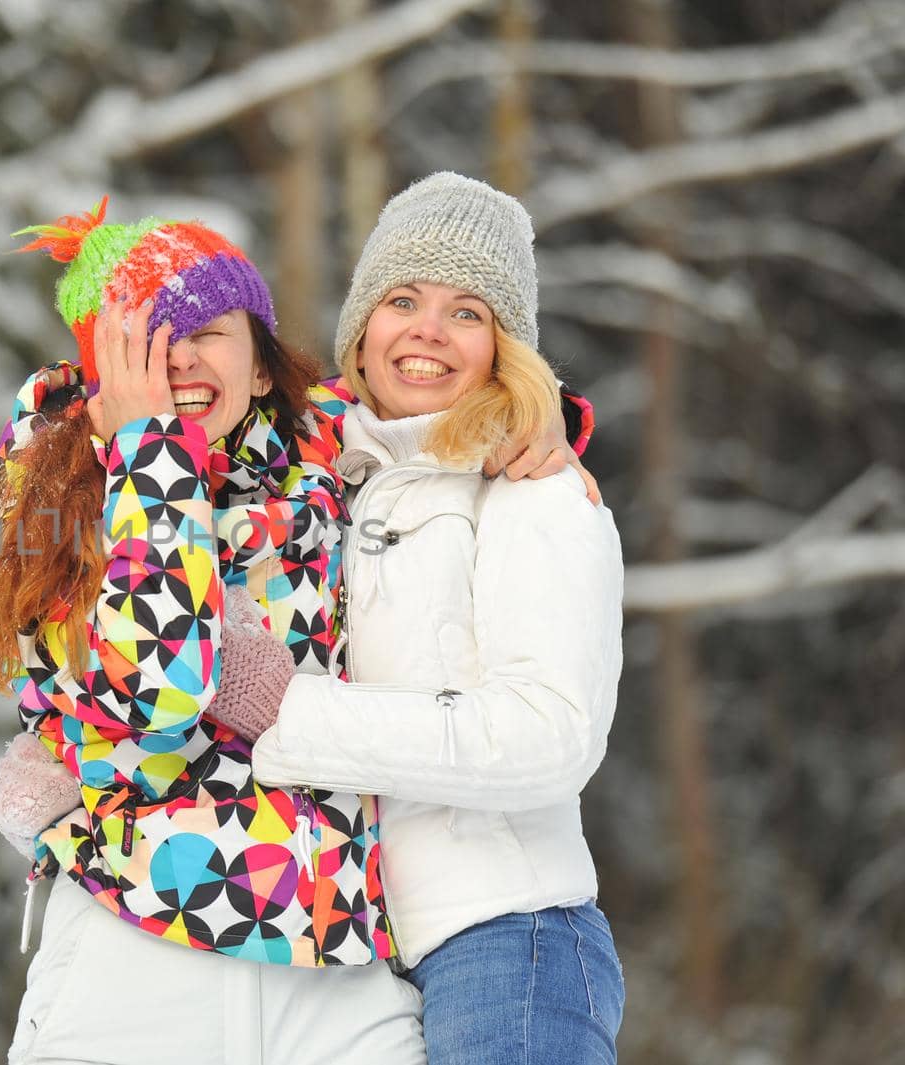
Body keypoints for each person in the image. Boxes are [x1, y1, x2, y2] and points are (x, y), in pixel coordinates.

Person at [0, 200, 424, 1064]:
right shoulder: (47, 481)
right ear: (101, 363)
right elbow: (162, 689)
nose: (177, 353)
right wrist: (150, 445)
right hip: (135, 939)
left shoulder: (318, 447)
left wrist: (539, 419)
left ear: (260, 367)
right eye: (145, 333)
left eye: (208, 329)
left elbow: (447, 404)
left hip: (333, 959)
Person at [251, 172, 627, 1065]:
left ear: (505, 349)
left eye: (468, 311)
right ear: (362, 327)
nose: (426, 329)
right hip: (349, 949)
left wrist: (286, 713)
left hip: (506, 939)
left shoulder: (534, 493)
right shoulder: (313, 486)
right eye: (403, 298)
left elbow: (553, 734)